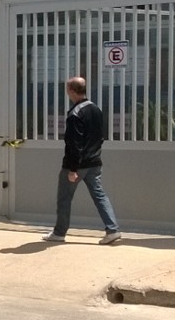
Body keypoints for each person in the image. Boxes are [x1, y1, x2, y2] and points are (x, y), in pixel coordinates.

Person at [45, 75, 121, 245]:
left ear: (71, 90)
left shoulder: (75, 113)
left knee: (64, 198)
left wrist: (72, 169)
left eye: (67, 89)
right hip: (94, 163)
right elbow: (99, 137)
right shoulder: (96, 109)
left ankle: (59, 233)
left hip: (77, 164)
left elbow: (74, 143)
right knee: (100, 196)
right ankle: (112, 229)